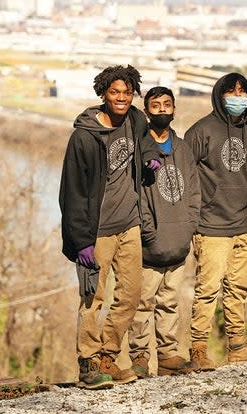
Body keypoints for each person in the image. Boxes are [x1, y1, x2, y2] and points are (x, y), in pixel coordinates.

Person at [59, 64, 160, 389]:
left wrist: (151, 158)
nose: (121, 98)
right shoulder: (84, 138)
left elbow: (145, 144)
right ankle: (88, 364)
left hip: (129, 224)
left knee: (130, 296)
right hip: (96, 231)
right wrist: (80, 241)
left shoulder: (135, 120)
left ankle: (108, 357)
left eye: (127, 92)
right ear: (103, 93)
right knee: (93, 298)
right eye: (114, 92)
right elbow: (71, 192)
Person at [185, 72, 247, 369]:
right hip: (210, 226)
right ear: (219, 95)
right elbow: (185, 175)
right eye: (231, 92)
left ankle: (238, 349)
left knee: (238, 291)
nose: (237, 98)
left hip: (242, 226)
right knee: (207, 291)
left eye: (242, 92)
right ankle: (198, 351)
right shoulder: (201, 131)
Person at [128, 86, 201, 377]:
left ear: (174, 110)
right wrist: (147, 230)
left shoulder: (183, 148)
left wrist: (188, 227)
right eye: (155, 105)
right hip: (150, 242)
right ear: (146, 111)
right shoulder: (141, 148)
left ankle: (169, 354)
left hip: (178, 241)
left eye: (167, 105)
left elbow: (194, 192)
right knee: (142, 303)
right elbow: (138, 195)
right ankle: (139, 358)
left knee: (170, 302)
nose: (161, 110)